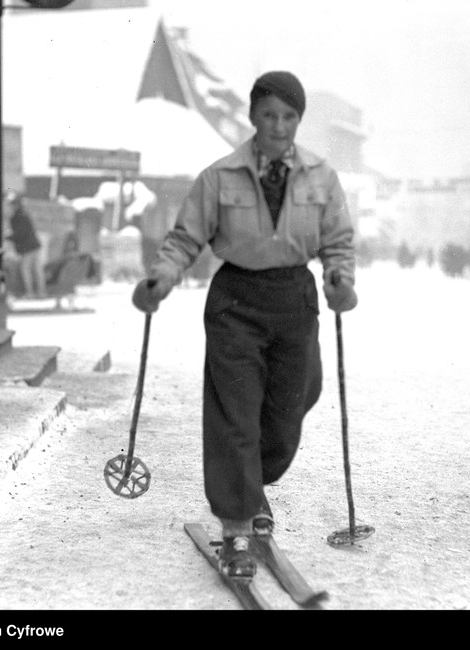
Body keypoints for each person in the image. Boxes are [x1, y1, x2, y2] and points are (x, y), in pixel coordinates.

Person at [131, 71, 357, 578]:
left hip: (295, 298)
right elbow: (185, 238)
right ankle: (236, 527)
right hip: (236, 300)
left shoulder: (322, 177)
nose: (278, 125)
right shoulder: (219, 177)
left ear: (299, 120)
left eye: (289, 116)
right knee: (234, 412)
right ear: (253, 116)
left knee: (292, 403)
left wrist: (340, 279)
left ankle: (252, 487)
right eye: (269, 114)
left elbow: (338, 241)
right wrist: (162, 278)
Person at [6, 192, 47, 299]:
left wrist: (8, 237)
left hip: (28, 248)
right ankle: (41, 292)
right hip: (34, 246)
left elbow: (20, 233)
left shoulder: (16, 217)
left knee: (25, 269)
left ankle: (30, 292)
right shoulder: (24, 214)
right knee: (37, 270)